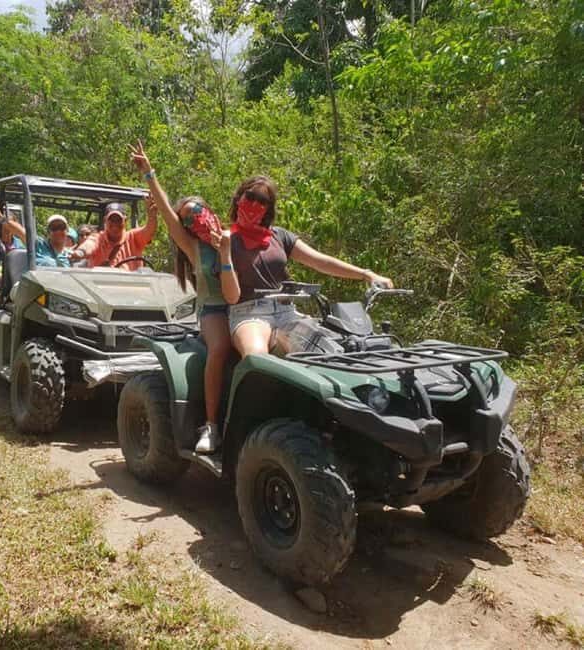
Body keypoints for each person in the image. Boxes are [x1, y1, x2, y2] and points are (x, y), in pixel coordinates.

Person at [219, 176, 394, 358]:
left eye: (262, 201)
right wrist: (224, 252)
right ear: (239, 198)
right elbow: (231, 297)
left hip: (287, 312)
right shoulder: (226, 239)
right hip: (249, 314)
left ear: (268, 209)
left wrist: (367, 274)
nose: (255, 204)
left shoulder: (279, 236)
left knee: (335, 350)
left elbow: (320, 261)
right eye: (250, 197)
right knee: (256, 357)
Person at [130, 140, 230, 454]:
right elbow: (166, 211)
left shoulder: (232, 237)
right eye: (187, 218)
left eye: (197, 211)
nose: (193, 219)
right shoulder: (193, 248)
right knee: (219, 349)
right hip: (214, 311)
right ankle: (211, 425)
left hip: (245, 307)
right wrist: (149, 173)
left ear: (209, 210)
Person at [70, 201, 157, 270]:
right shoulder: (98, 238)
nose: (115, 224)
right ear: (105, 220)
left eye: (118, 220)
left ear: (125, 220)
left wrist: (152, 217)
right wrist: (80, 252)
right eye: (111, 220)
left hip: (131, 285)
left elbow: (149, 231)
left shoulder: (133, 237)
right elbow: (89, 245)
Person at [0, 202, 73, 268]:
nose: (58, 231)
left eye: (61, 227)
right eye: (54, 228)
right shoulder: (39, 245)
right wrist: (1, 218)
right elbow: (20, 231)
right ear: (48, 232)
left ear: (67, 231)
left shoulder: (70, 254)